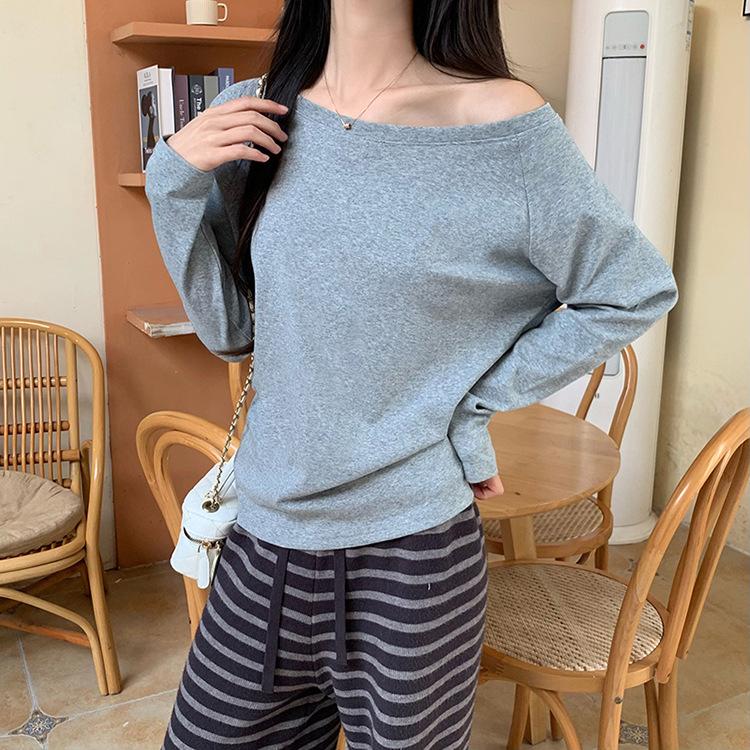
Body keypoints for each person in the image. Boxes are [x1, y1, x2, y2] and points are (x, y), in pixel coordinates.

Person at [144, 1, 679, 748]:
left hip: (413, 560)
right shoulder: (256, 111)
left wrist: (473, 407)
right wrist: (170, 181)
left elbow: (631, 289)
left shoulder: (501, 125)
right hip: (262, 542)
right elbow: (233, 333)